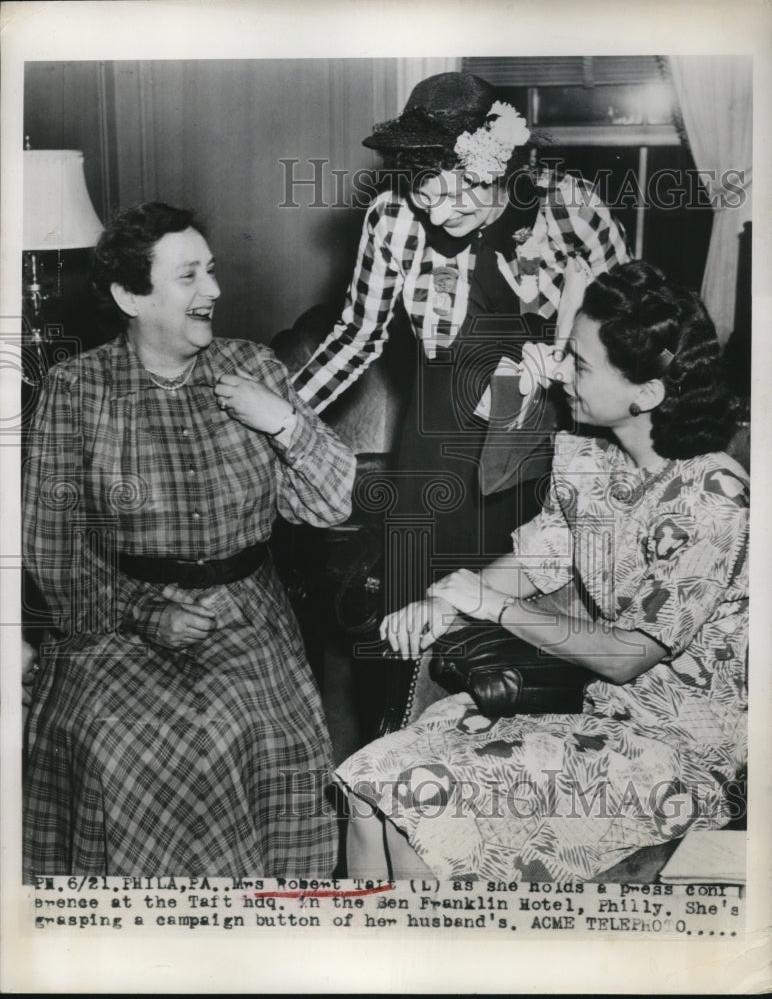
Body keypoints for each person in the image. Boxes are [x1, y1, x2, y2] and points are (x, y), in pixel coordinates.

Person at [337, 261, 748, 881]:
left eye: (578, 363)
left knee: (422, 802)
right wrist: (443, 603)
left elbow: (627, 655)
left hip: (679, 759)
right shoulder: (593, 463)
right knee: (368, 783)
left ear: (646, 394)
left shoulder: (714, 499)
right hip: (599, 722)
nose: (559, 371)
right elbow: (536, 558)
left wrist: (494, 606)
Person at [22, 202, 356, 877]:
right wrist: (144, 613)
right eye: (189, 276)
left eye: (212, 270)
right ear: (130, 296)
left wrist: (283, 422)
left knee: (251, 734)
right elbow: (50, 545)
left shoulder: (255, 369)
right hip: (113, 619)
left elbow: (330, 505)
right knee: (118, 751)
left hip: (247, 616)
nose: (214, 289)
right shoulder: (76, 389)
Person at [293, 72, 630, 600]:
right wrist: (285, 414)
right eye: (425, 196)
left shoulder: (572, 209)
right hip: (439, 437)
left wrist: (572, 367)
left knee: (526, 605)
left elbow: (627, 329)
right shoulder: (393, 217)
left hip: (551, 435)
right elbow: (357, 335)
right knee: (416, 601)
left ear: (502, 168)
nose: (440, 214)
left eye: (459, 196)